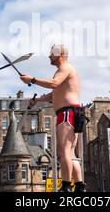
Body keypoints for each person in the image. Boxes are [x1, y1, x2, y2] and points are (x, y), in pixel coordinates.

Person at [20, 44, 86, 192]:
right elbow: (54, 94)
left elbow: (53, 83)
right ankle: (80, 186)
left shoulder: (65, 68)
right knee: (70, 153)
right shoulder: (65, 71)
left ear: (60, 54)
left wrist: (32, 79)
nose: (49, 56)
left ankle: (67, 186)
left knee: (64, 152)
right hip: (72, 113)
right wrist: (37, 100)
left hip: (67, 114)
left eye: (51, 53)